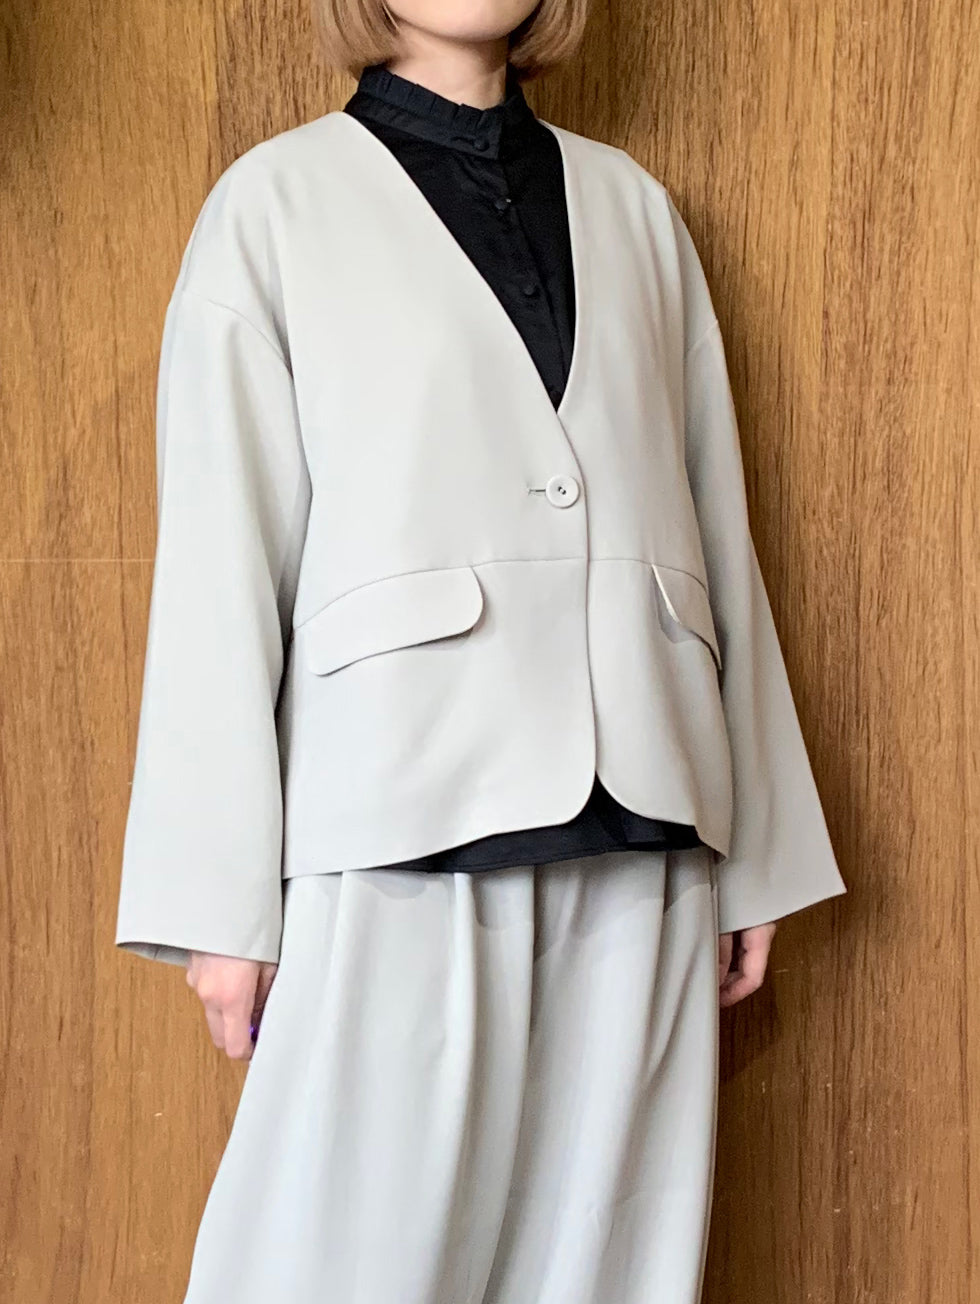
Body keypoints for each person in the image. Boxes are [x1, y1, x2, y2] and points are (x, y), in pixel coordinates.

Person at [114, 0, 847, 1299]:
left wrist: (760, 853)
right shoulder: (273, 207)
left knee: (613, 1268)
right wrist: (218, 908)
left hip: (646, 822)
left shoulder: (635, 210)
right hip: (401, 825)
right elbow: (221, 566)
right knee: (340, 1264)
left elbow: (717, 531)